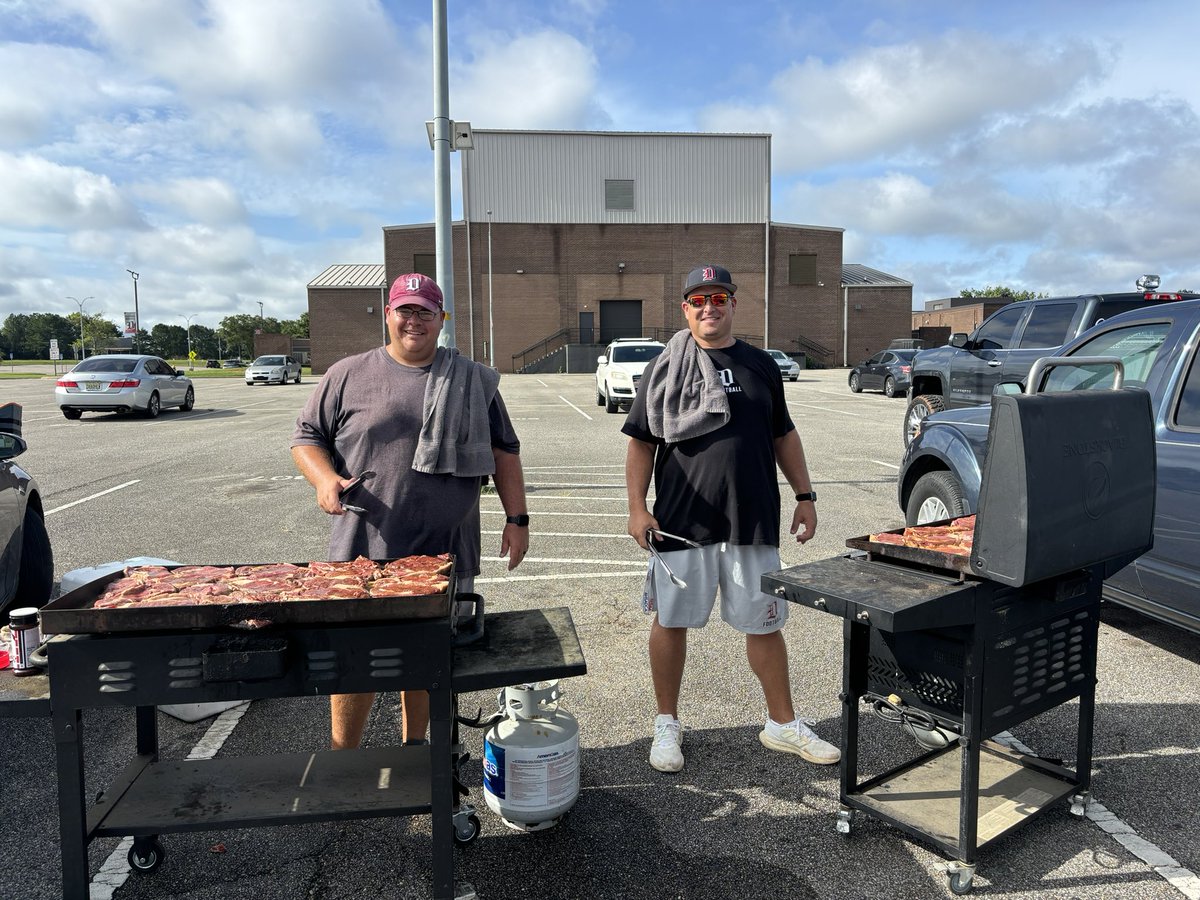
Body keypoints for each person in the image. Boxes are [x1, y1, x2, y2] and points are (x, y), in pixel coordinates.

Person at [291, 272, 530, 749]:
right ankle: (345, 756)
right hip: (363, 546)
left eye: (425, 311)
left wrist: (517, 518)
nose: (414, 320)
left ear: (441, 319)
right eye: (405, 309)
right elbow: (306, 437)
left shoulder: (471, 379)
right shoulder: (347, 374)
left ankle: (417, 749)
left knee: (429, 658)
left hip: (446, 549)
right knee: (355, 660)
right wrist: (323, 479)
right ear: (388, 314)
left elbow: (505, 452)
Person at [622, 263, 840, 773]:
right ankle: (667, 723)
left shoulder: (761, 365)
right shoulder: (665, 367)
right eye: (698, 300)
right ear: (685, 309)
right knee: (671, 622)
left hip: (752, 518)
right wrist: (637, 508)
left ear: (733, 304)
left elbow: (783, 434)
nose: (708, 308)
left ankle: (781, 724)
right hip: (681, 520)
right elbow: (640, 442)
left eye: (718, 298)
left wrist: (805, 495)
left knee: (764, 624)